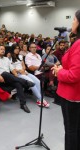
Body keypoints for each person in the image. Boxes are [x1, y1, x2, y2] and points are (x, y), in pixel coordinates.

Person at [52, 10, 80, 150]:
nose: (72, 22)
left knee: (71, 130)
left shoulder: (79, 45)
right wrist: (64, 66)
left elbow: (74, 75)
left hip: (72, 96)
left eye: (74, 19)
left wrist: (59, 71)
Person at [0, 45, 35, 113]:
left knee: (18, 83)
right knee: (4, 73)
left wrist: (16, 74)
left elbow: (12, 69)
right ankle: (26, 82)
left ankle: (23, 104)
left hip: (8, 78)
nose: (3, 50)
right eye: (1, 49)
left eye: (4, 49)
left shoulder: (6, 59)